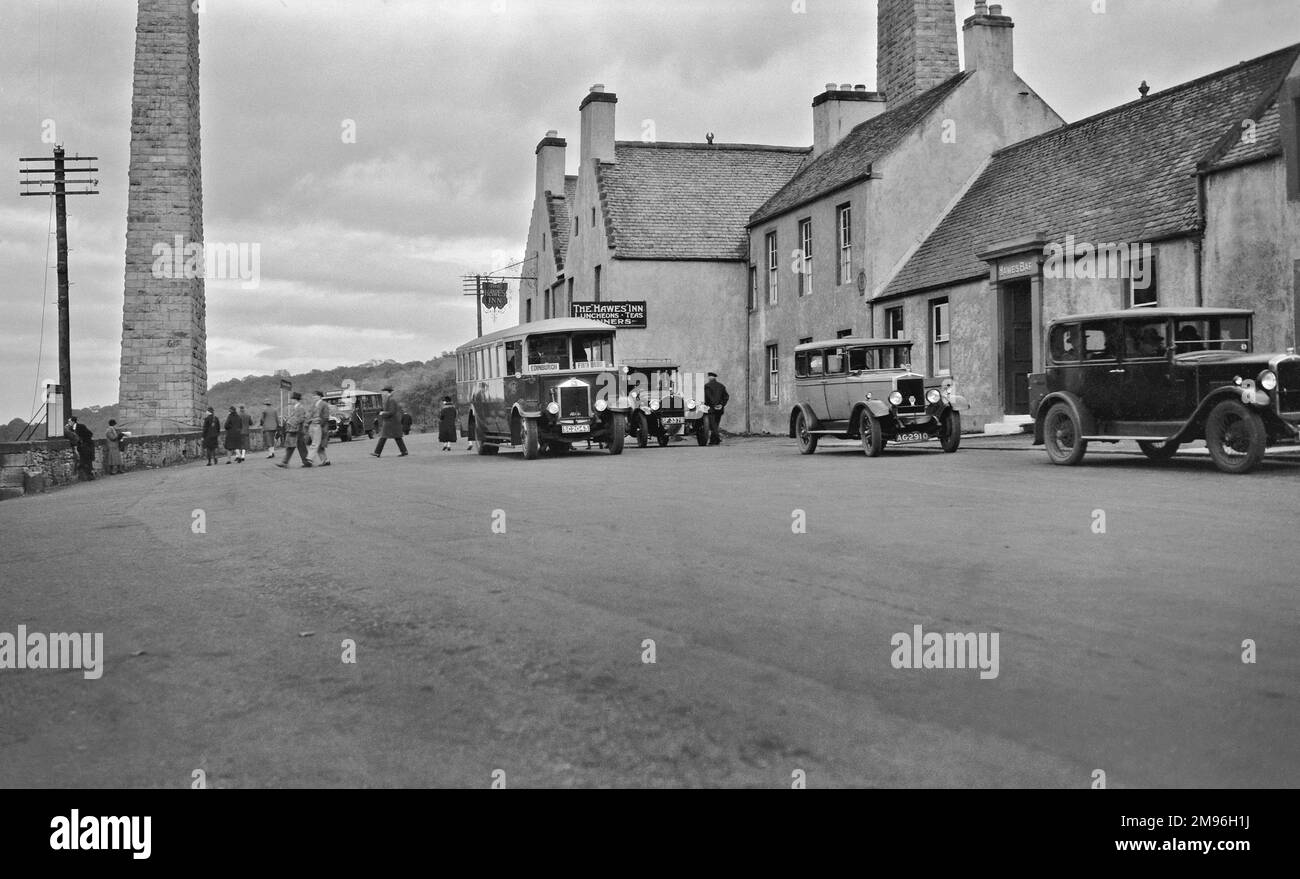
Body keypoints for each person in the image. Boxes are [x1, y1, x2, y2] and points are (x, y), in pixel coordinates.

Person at [276, 392, 312, 468]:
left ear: (295, 399)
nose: (291, 400)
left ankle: (285, 462)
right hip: (295, 430)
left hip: (296, 430)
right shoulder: (296, 407)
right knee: (298, 446)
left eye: (291, 399)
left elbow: (302, 418)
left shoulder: (300, 408)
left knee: (293, 446)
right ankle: (306, 462)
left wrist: (292, 422)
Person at [370, 386, 408, 457]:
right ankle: (404, 451)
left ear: (387, 392)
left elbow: (392, 412)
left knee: (383, 437)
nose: (383, 393)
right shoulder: (390, 399)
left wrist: (382, 413)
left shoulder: (391, 400)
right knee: (397, 437)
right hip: (392, 422)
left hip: (391, 422)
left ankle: (377, 452)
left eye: (384, 391)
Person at [703, 371, 729, 446]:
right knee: (716, 424)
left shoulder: (707, 386)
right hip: (719, 409)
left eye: (708, 377)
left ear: (710, 377)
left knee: (713, 425)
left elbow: (707, 397)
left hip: (711, 409)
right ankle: (714, 441)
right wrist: (721, 405)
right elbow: (726, 397)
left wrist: (713, 405)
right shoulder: (721, 386)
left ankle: (717, 438)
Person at [311, 390, 332, 467]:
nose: (314, 397)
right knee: (318, 444)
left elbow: (326, 416)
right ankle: (325, 460)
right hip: (315, 427)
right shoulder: (314, 404)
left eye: (315, 395)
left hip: (322, 427)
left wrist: (320, 425)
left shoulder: (324, 404)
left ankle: (325, 460)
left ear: (320, 396)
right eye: (313, 395)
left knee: (319, 444)